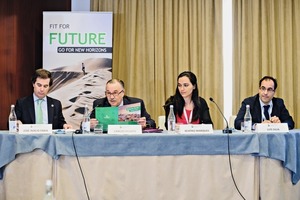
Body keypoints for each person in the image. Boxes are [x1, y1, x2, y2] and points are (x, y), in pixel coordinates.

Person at [90, 79, 156, 129]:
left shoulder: (135, 103)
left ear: (122, 93)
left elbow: (152, 123)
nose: (111, 97)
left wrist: (145, 124)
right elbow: (84, 124)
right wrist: (89, 125)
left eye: (115, 93)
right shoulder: (99, 104)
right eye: (108, 93)